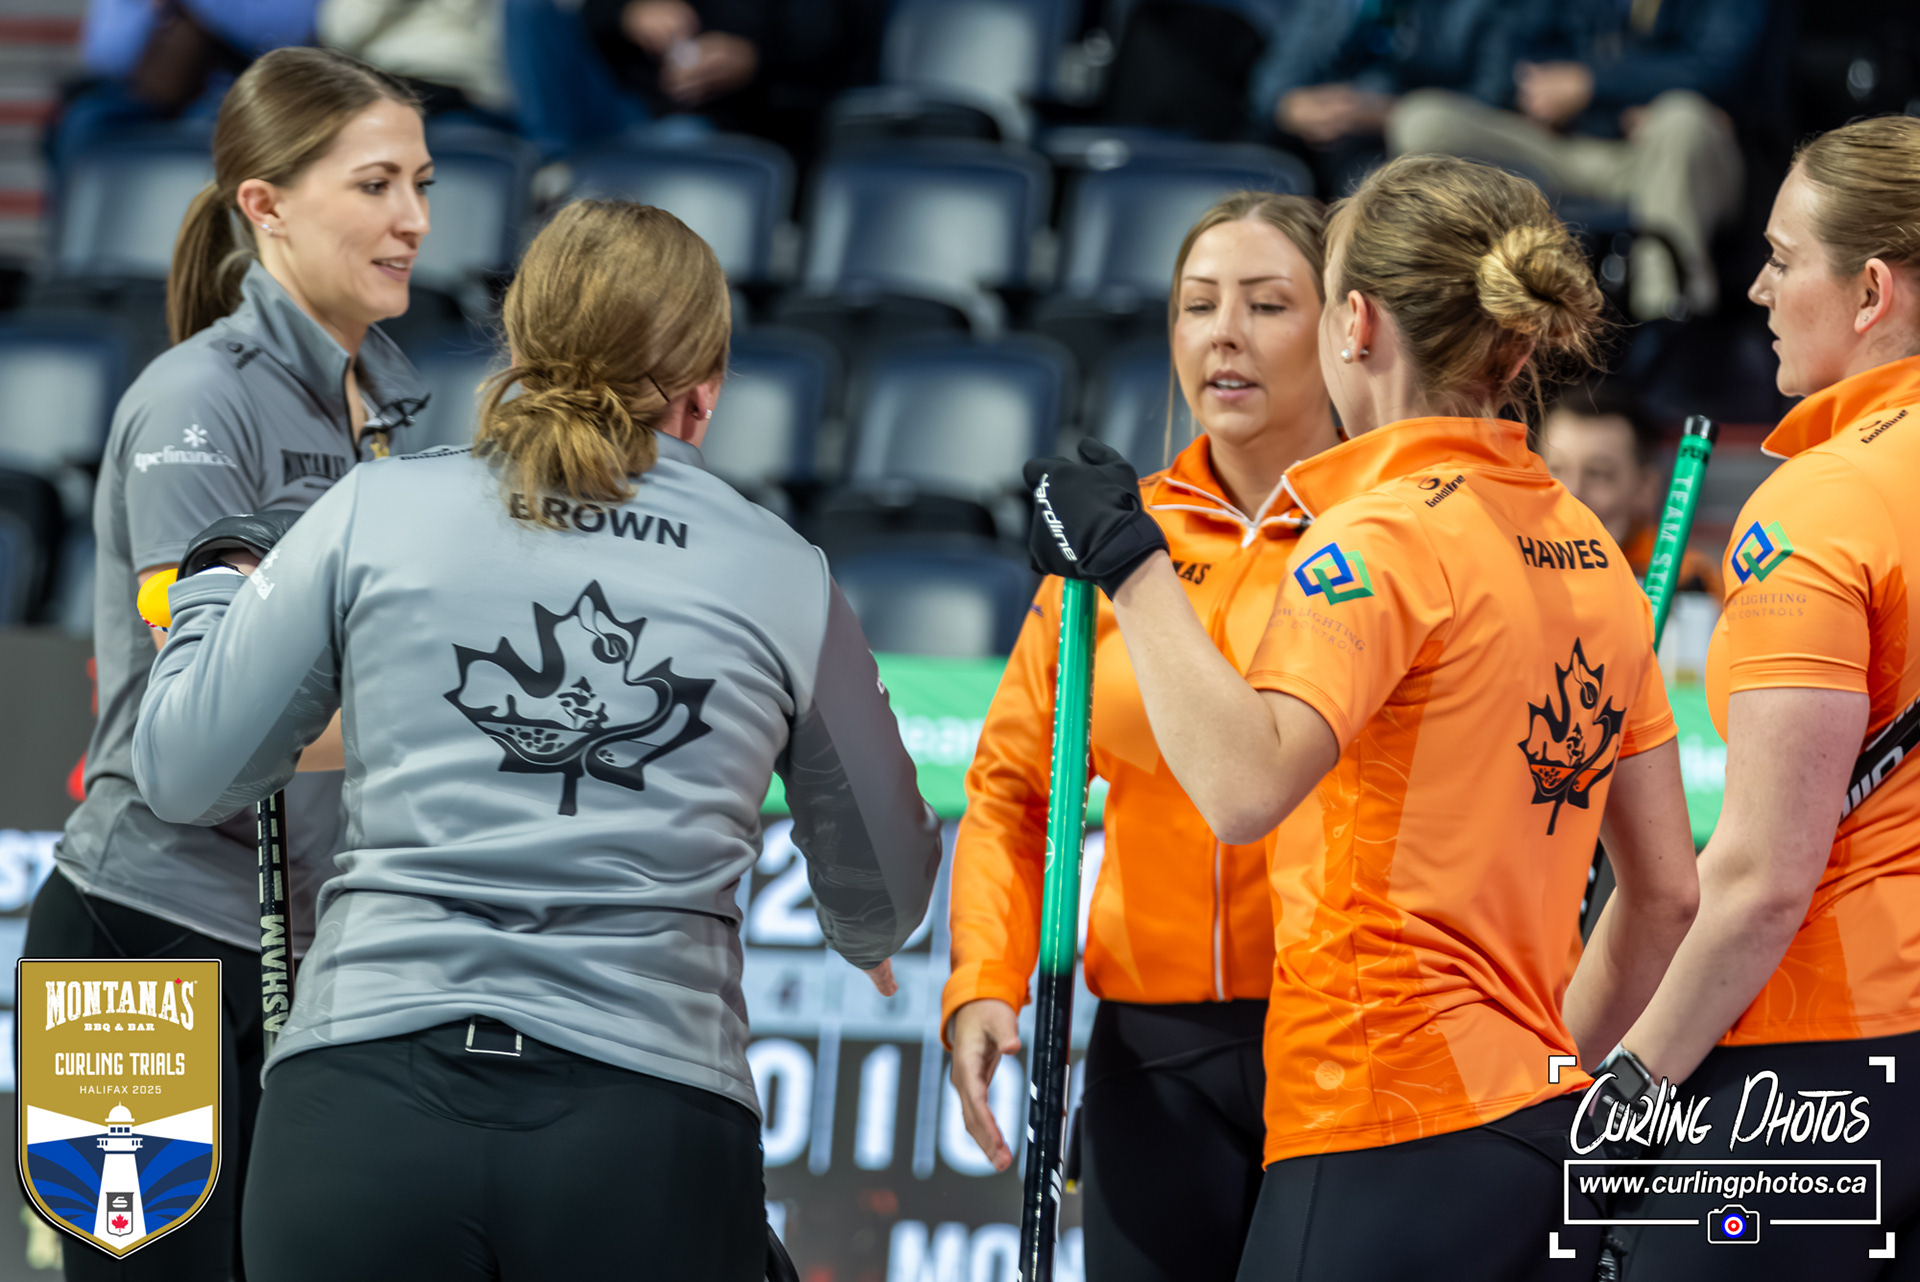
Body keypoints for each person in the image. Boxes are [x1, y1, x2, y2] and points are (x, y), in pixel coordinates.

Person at [130, 199, 943, 1281]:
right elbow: (887, 892)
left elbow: (184, 775)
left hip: (362, 1112)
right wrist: (858, 924)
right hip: (644, 1129)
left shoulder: (376, 510)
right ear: (704, 390)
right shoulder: (783, 571)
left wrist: (213, 590)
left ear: (519, 349)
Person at [1022, 153, 1701, 1278]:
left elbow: (1244, 789)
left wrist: (1131, 566)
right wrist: (1542, 1073)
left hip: (1376, 1115)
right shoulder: (1590, 550)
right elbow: (1667, 893)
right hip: (1534, 1136)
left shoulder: (1379, 533)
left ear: (1355, 323)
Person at [25, 47, 431, 1282]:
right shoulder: (193, 403)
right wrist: (450, 722)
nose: (413, 220)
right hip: (140, 941)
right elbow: (207, 717)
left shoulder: (392, 411)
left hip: (307, 954)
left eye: (421, 183)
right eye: (375, 185)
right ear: (267, 204)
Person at [948, 191, 1338, 1282]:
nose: (1225, 335)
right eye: (1198, 306)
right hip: (1150, 1049)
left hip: (1344, 1036)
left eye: (1268, 305)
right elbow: (1015, 789)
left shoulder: (1390, 533)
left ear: (1343, 327)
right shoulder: (1109, 541)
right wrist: (984, 977)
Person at [1598, 114, 1920, 1280]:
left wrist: (1627, 1087)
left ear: (1871, 290)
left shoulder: (1822, 503)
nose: (1757, 289)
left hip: (1842, 1045)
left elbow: (1763, 879)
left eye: (1783, 259)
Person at [1388, 0, 1767, 321]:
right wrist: (1537, 95)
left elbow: (1720, 69)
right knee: (1424, 121)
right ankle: (1455, 310)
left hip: (1657, 152)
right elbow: (1516, 49)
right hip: (1566, 144)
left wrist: (1595, 86)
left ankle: (1666, 320)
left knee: (1682, 118)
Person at [1539, 382, 1723, 599]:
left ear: (1646, 488)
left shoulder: (1689, 581)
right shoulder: (1511, 562)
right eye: (1555, 469)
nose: (1572, 492)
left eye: (1597, 474)